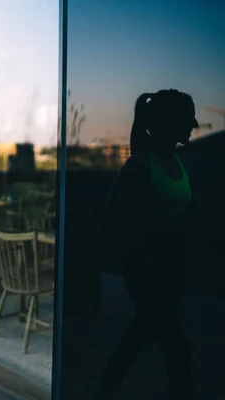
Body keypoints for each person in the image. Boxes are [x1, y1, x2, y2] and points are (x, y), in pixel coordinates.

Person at [92, 89, 199, 399]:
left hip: (174, 268)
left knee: (143, 337)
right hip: (148, 271)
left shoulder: (182, 165)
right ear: (171, 122)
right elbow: (116, 216)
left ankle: (104, 391)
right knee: (172, 346)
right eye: (187, 118)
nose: (193, 124)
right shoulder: (140, 166)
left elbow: (193, 217)